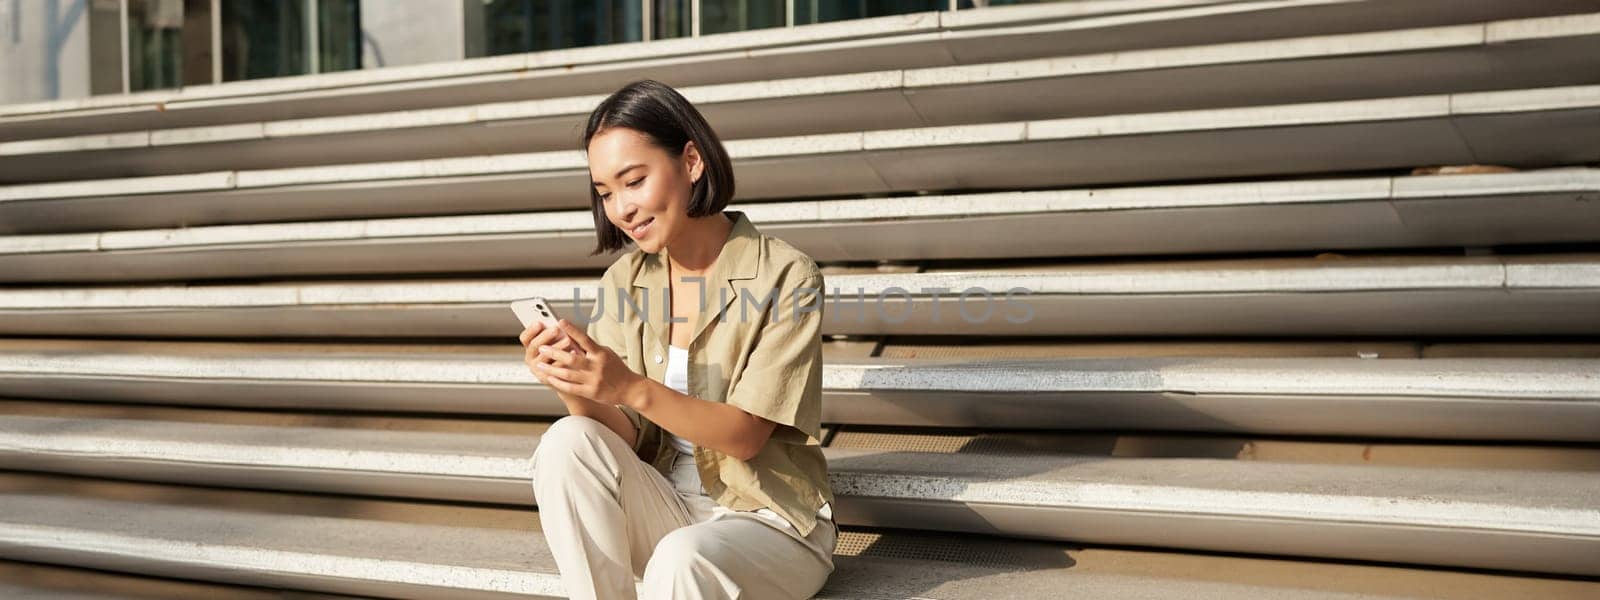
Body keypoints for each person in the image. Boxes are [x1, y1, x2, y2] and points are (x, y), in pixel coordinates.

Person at [517, 79, 837, 600]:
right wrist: (572, 381)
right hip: (666, 507)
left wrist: (627, 385)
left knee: (681, 558)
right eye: (604, 193)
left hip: (767, 522)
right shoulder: (624, 282)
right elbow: (624, 435)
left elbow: (745, 436)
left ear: (691, 162)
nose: (620, 208)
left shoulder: (785, 276)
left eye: (634, 181)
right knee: (564, 444)